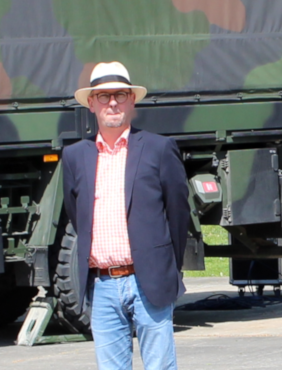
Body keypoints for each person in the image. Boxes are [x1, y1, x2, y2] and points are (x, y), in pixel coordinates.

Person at [62, 61, 190, 370]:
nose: (113, 103)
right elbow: (77, 218)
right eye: (104, 96)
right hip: (102, 286)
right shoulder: (75, 156)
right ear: (91, 104)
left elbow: (178, 214)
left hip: (148, 280)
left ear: (132, 100)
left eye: (120, 94)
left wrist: (165, 265)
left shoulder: (159, 149)